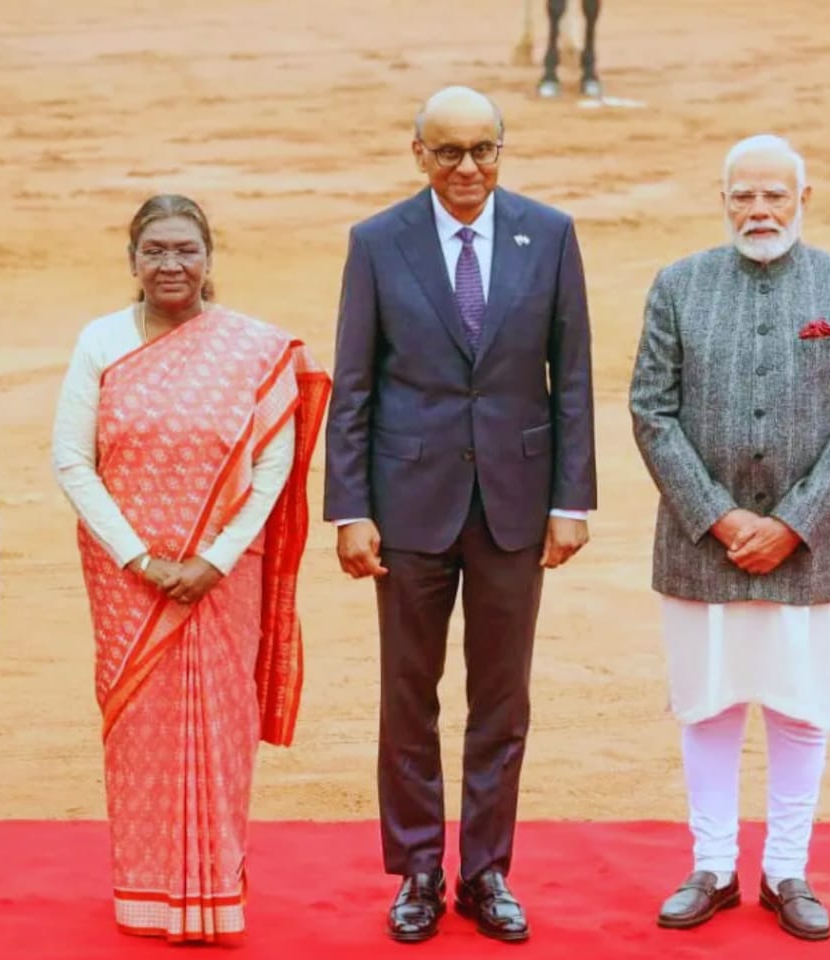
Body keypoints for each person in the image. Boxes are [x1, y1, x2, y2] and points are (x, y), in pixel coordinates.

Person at [324, 86, 596, 944]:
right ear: (418, 154)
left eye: (484, 150)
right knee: (408, 698)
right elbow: (354, 384)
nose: (468, 168)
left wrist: (570, 499)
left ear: (502, 151)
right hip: (408, 508)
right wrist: (349, 510)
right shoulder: (377, 243)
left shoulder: (549, 234)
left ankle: (485, 873)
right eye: (450, 153)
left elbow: (574, 376)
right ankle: (414, 870)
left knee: (501, 700)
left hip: (515, 505)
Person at [628, 134, 830, 942]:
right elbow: (651, 410)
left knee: (801, 709)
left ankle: (786, 869)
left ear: (803, 201)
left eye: (775, 195)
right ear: (724, 200)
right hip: (701, 540)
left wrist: (792, 524)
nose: (759, 210)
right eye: (744, 195)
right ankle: (712, 865)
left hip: (817, 544)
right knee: (706, 707)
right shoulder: (678, 286)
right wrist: (721, 516)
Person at [52, 194, 330, 944]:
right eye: (155, 252)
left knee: (221, 726)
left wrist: (212, 559)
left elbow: (272, 467)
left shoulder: (254, 348)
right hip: (124, 581)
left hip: (223, 576)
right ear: (133, 261)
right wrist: (139, 557)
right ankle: (143, 895)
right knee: (138, 728)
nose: (170, 265)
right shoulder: (101, 343)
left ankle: (213, 893)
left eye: (185, 250)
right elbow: (73, 461)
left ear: (209, 259)